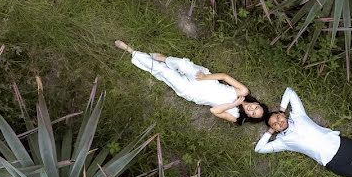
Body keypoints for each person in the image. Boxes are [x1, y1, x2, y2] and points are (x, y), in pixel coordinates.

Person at [114, 40, 267, 124]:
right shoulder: (244, 92)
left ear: (250, 117)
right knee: (182, 64)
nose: (251, 109)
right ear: (257, 103)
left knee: (165, 73)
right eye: (256, 108)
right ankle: (165, 58)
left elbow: (214, 111)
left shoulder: (237, 117)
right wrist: (205, 77)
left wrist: (233, 105)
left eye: (253, 113)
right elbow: (225, 77)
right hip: (207, 82)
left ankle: (131, 50)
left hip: (194, 93)